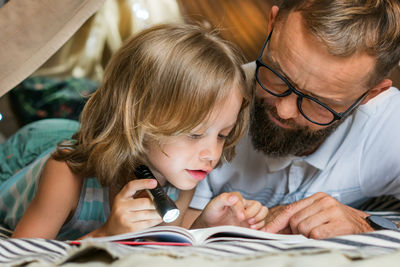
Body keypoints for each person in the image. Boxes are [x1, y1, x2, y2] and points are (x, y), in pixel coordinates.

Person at [0, 24, 268, 240]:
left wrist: (205, 226)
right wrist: (105, 234)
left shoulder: (180, 180)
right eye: (194, 134)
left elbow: (160, 244)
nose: (211, 154)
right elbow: (24, 257)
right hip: (24, 154)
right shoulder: (65, 174)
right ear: (138, 118)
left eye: (222, 135)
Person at [188, 0, 400, 238]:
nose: (284, 111)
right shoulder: (204, 107)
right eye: (278, 76)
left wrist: (367, 227)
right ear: (272, 25)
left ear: (371, 95)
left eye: (318, 102)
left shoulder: (390, 124)